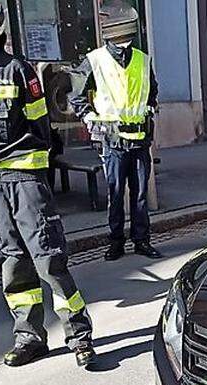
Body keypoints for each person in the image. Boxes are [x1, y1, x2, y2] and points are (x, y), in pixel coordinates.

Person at [0, 0, 96, 368]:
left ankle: (79, 335)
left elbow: (41, 130)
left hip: (24, 177)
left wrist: (26, 172)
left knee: (49, 260)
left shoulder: (18, 70)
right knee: (13, 261)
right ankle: (29, 337)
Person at [69, 0, 163, 262]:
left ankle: (142, 240)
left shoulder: (143, 60)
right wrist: (89, 116)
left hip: (140, 139)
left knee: (141, 195)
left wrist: (151, 108)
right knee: (116, 193)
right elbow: (75, 96)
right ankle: (116, 242)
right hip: (111, 140)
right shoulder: (94, 60)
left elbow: (152, 91)